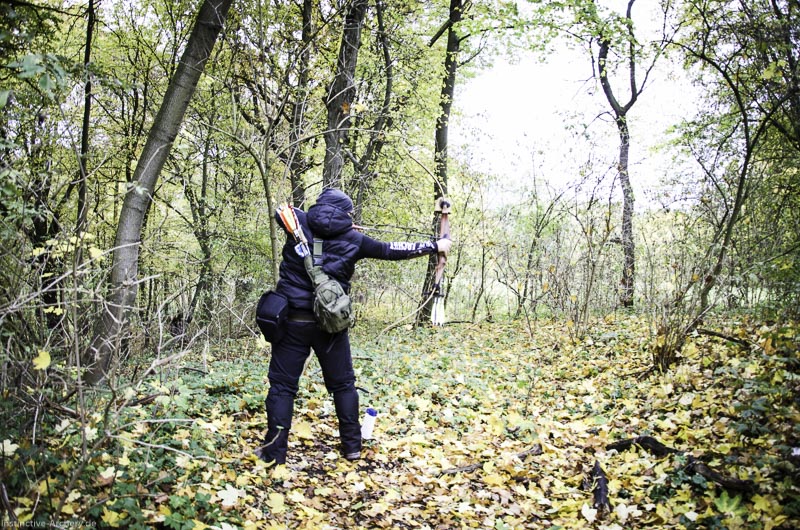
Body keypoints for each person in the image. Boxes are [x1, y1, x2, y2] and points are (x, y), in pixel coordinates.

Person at [255, 188, 451, 464]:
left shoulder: (298, 222)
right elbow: (390, 250)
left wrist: (325, 224)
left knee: (282, 388)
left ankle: (274, 453)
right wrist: (435, 246)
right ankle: (351, 447)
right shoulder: (354, 239)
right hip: (329, 323)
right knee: (343, 385)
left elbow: (281, 211)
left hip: (291, 321)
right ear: (347, 215)